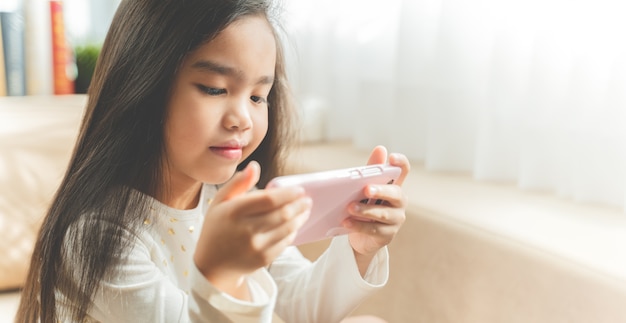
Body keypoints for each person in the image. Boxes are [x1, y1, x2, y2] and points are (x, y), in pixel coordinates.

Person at [16, 0, 410, 322]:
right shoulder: (99, 237)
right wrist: (223, 272)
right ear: (144, 85)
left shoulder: (225, 199)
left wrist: (359, 247)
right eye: (215, 88)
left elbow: (298, 307)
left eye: (258, 96)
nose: (241, 117)